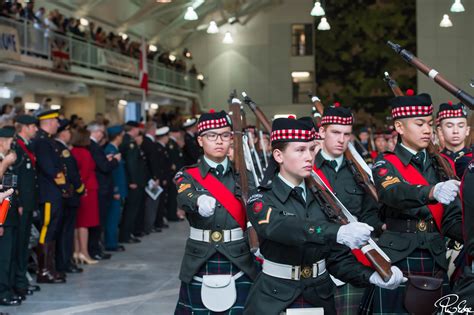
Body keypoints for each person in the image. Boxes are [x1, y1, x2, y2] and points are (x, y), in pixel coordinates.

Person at [244, 116, 404, 314]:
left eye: (311, 149)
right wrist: (336, 232)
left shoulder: (324, 199)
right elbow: (282, 227)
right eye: (300, 150)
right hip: (275, 297)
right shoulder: (261, 198)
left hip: (319, 295)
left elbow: (336, 259)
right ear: (278, 155)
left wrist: (371, 276)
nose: (309, 156)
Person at [372, 93, 464, 313]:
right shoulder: (386, 162)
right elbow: (393, 192)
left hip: (435, 255)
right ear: (400, 127)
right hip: (399, 257)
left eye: (430, 124)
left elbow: (451, 219)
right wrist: (432, 191)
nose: (427, 130)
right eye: (419, 123)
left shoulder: (441, 165)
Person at [174, 110, 259, 314]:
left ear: (232, 139)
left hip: (239, 256)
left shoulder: (244, 176)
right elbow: (184, 197)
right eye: (212, 135)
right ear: (200, 141)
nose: (219, 141)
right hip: (200, 257)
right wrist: (198, 200)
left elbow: (257, 208)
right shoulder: (188, 174)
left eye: (225, 135)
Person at [315, 105, 384, 314]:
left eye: (346, 134)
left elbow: (369, 214)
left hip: (350, 262)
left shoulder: (360, 173)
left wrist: (380, 225)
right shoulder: (306, 168)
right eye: (335, 132)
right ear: (321, 132)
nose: (341, 139)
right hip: (314, 260)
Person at [31, 109, 67, 283]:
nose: (58, 125)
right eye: (56, 121)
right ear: (49, 122)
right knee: (47, 229)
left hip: (53, 192)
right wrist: (64, 185)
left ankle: (49, 268)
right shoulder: (42, 142)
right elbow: (50, 169)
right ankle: (43, 271)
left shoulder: (47, 141)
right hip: (48, 193)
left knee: (52, 229)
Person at [11, 115, 40, 298]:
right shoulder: (17, 149)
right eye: (33, 126)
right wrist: (19, 202)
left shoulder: (26, 147)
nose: (36, 129)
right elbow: (14, 179)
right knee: (18, 245)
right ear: (25, 128)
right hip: (21, 205)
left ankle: (21, 281)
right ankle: (18, 283)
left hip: (28, 204)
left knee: (23, 246)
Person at [54, 119, 85, 274]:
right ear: (63, 133)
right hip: (69, 194)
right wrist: (80, 188)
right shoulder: (62, 149)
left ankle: (65, 261)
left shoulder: (59, 147)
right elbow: (72, 173)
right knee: (66, 231)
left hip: (65, 195)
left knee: (65, 231)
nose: (69, 134)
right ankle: (64, 262)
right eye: (67, 131)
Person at [88, 122, 119, 260]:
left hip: (101, 187)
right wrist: (115, 161)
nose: (102, 135)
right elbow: (104, 167)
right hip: (101, 187)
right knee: (98, 221)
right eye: (101, 131)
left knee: (99, 221)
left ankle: (96, 248)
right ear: (97, 132)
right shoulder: (94, 146)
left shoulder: (93, 146)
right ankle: (94, 249)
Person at [71, 128, 99, 265]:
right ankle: (84, 252)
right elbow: (85, 173)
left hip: (78, 190)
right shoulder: (85, 153)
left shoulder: (72, 152)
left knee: (77, 223)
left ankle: (76, 251)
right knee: (84, 224)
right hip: (88, 190)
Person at [0, 126, 20, 306]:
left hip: (10, 212)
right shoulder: (3, 160)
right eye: (8, 141)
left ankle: (9, 288)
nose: (11, 144)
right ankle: (3, 293)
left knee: (11, 255)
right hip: (1, 216)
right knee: (3, 257)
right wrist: (5, 164)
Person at [104, 126, 127, 252]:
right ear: (118, 136)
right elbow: (112, 173)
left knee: (116, 217)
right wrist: (116, 190)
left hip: (119, 188)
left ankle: (113, 240)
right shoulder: (110, 150)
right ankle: (110, 243)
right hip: (115, 190)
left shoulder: (114, 149)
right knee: (112, 218)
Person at [119, 121, 142, 244]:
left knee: (130, 209)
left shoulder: (125, 139)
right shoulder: (131, 142)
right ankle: (126, 235)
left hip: (129, 180)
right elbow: (132, 163)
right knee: (131, 209)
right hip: (133, 181)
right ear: (134, 129)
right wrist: (133, 180)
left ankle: (127, 233)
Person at [437, 101, 471, 177]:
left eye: (461, 126)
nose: (455, 131)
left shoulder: (472, 157)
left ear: (467, 130)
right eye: (449, 126)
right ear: (440, 131)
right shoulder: (435, 160)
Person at [140, 122, 161, 234]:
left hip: (147, 177)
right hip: (150, 178)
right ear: (152, 130)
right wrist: (155, 177)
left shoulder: (146, 142)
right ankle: (149, 226)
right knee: (151, 203)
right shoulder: (150, 143)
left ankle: (149, 225)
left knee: (150, 203)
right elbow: (152, 162)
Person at [155, 126, 172, 229]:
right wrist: (163, 178)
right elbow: (160, 165)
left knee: (163, 200)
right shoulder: (159, 148)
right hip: (162, 179)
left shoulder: (163, 147)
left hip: (165, 178)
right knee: (160, 201)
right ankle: (158, 221)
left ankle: (160, 220)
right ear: (163, 137)